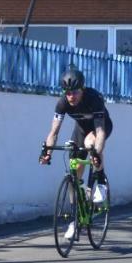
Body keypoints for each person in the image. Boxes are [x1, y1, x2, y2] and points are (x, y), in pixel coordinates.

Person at [40, 67, 112, 212]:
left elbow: (100, 131)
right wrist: (47, 152)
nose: (71, 96)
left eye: (74, 92)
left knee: (89, 143)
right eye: (67, 93)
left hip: (100, 127)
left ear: (82, 90)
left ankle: (101, 181)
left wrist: (96, 153)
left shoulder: (93, 98)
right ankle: (76, 216)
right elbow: (53, 132)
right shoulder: (62, 103)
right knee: (74, 170)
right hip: (80, 129)